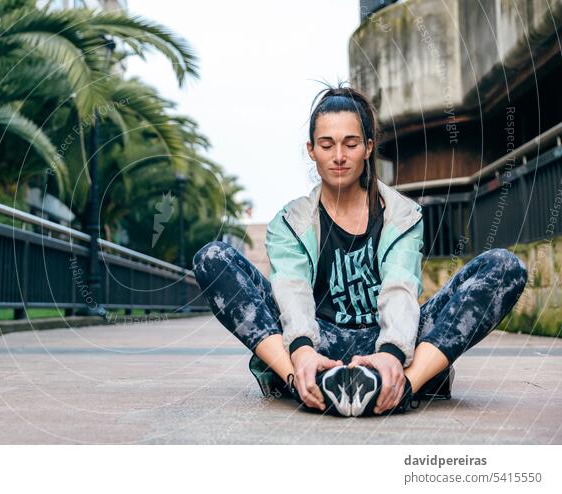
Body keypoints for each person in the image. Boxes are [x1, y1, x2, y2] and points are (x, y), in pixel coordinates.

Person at [192, 84, 528, 417]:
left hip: (390, 340)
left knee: (503, 267)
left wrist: (393, 354)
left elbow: (400, 287)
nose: (339, 156)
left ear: (368, 148)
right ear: (311, 150)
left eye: (350, 144)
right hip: (318, 341)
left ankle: (403, 385)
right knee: (213, 259)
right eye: (327, 144)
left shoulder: (402, 214)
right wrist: (303, 352)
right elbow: (291, 289)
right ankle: (301, 379)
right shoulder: (290, 222)